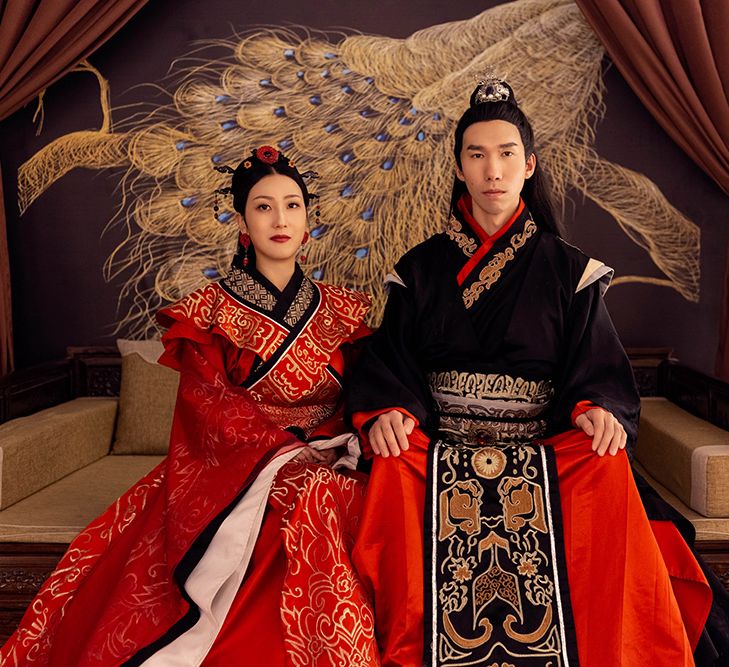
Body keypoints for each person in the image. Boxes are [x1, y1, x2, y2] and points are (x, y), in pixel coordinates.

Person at [347, 80, 714, 666]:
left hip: (540, 450)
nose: (493, 168)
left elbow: (596, 366)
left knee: (605, 464)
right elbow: (391, 359)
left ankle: (596, 647)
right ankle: (413, 646)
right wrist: (389, 407)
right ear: (460, 169)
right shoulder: (418, 269)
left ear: (529, 164)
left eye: (507, 153)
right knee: (391, 466)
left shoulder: (571, 271)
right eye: (477, 154)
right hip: (441, 446)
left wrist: (595, 406)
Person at [1, 146, 379, 666]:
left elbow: (364, 393)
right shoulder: (210, 311)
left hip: (332, 453)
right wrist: (285, 455)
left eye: (292, 205)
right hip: (239, 468)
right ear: (242, 220)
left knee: (353, 498)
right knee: (302, 499)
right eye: (264, 207)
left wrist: (338, 443)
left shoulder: (342, 309)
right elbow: (208, 407)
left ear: (309, 218)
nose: (281, 219)